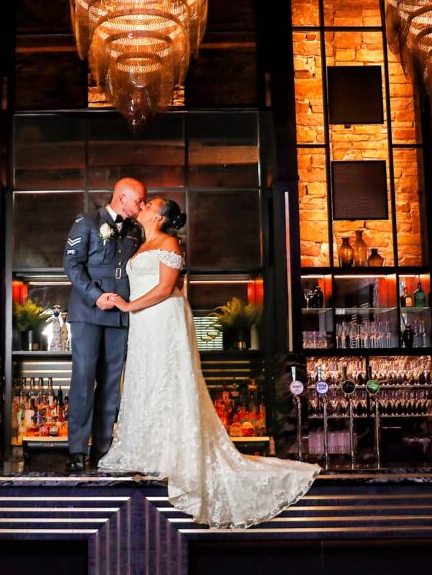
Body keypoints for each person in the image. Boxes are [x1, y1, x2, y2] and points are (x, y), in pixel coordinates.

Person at [97, 198, 320, 528]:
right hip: (144, 324)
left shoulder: (170, 241)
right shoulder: (141, 243)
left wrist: (128, 306)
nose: (142, 206)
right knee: (146, 378)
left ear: (159, 216)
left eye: (149, 204)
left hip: (161, 316)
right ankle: (149, 449)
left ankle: (177, 455)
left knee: (168, 379)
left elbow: (165, 288)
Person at [61, 177, 146, 472]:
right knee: (84, 379)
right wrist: (96, 297)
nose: (142, 206)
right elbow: (71, 265)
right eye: (139, 200)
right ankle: (76, 450)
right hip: (88, 311)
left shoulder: (136, 230)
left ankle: (102, 449)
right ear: (122, 198)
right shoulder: (86, 221)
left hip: (120, 313)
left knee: (112, 384)